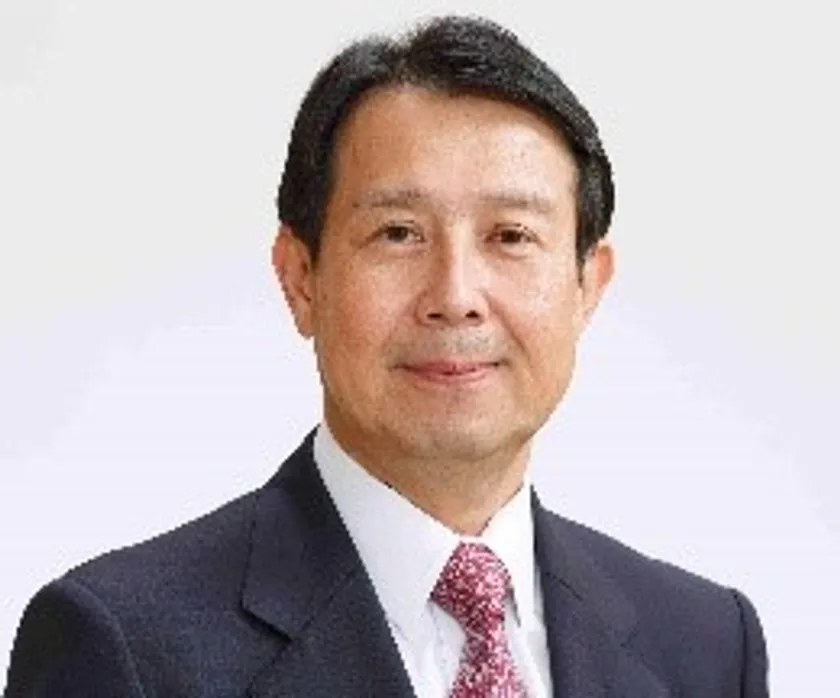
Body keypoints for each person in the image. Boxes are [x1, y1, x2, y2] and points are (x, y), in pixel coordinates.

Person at [4, 15, 768, 698]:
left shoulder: (705, 646)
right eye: (398, 234)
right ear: (300, 279)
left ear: (586, 286)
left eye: (511, 236)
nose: (456, 296)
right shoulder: (123, 647)